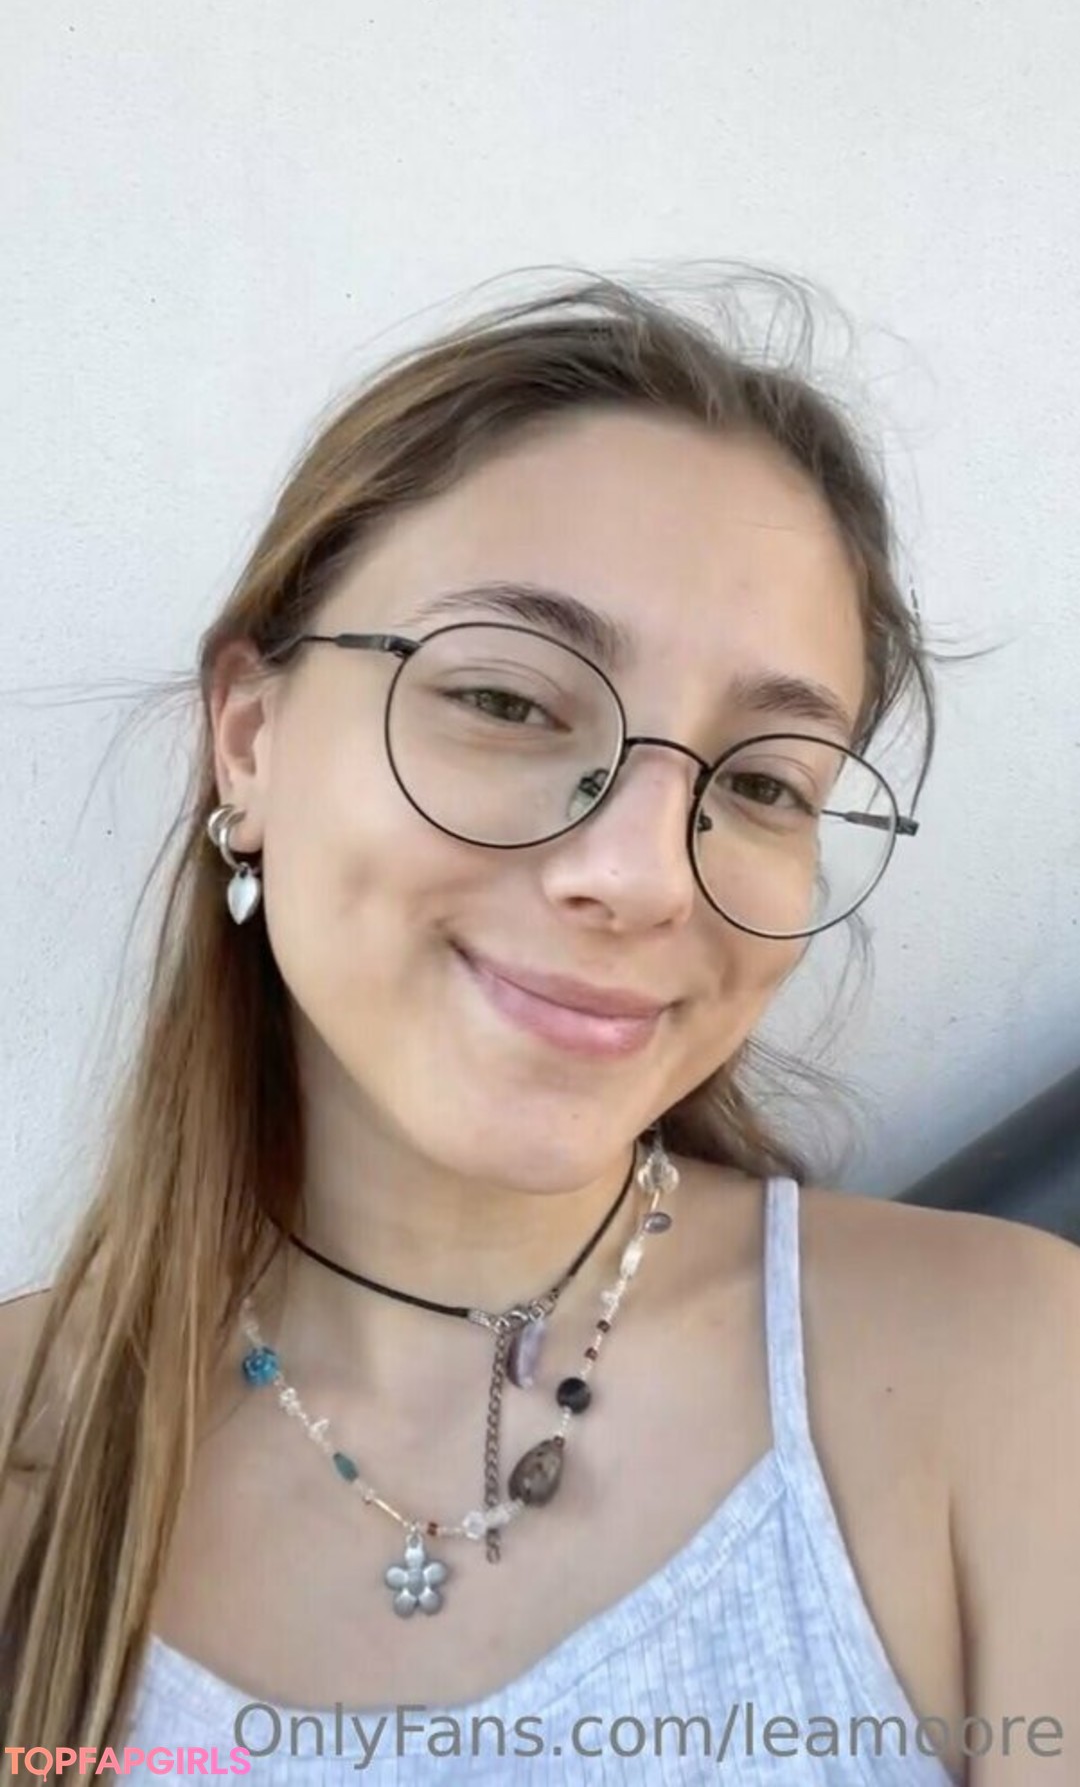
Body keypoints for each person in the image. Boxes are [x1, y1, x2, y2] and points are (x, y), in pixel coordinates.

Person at [1, 270, 1077, 1785]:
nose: (643, 876)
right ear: (248, 741)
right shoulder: (26, 1454)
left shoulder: (1008, 1373)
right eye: (508, 701)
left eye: (763, 781)